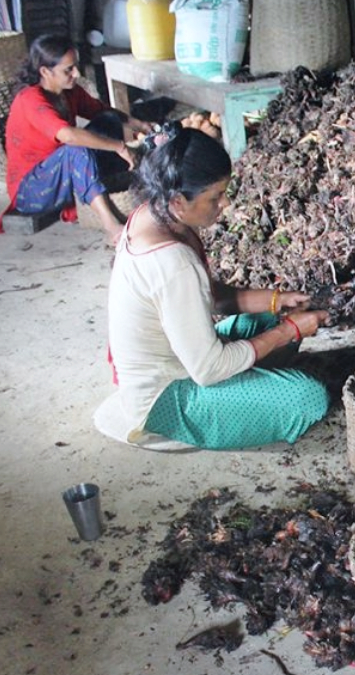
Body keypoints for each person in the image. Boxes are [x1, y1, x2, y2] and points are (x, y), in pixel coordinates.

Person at [99, 128, 331, 450]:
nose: (225, 203)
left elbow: (213, 297)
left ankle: (253, 377)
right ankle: (200, 417)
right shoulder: (173, 262)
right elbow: (209, 369)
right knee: (308, 397)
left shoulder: (156, 215)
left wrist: (277, 300)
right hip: (166, 396)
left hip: (183, 358)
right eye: (214, 197)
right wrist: (289, 331)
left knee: (271, 319)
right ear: (179, 201)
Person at [0, 34, 154, 240]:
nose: (77, 73)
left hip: (63, 172)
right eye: (68, 70)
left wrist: (140, 124)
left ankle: (116, 183)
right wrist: (120, 147)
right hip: (31, 191)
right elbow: (68, 136)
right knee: (76, 149)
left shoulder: (69, 91)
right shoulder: (30, 100)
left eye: (75, 66)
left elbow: (100, 110)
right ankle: (111, 224)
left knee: (108, 119)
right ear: (45, 71)